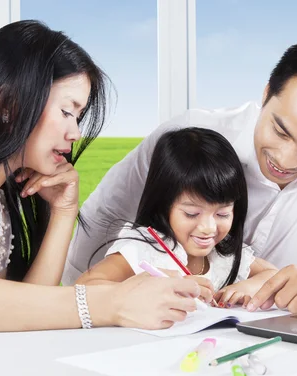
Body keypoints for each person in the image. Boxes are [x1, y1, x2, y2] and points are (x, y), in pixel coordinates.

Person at [0, 20, 201, 331]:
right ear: (8, 103)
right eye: (66, 112)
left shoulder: (2, 207)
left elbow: (24, 316)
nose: (75, 133)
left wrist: (63, 214)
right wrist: (109, 303)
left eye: (79, 116)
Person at [64, 38, 297, 315]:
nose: (285, 159)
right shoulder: (188, 137)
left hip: (272, 333)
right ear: (267, 93)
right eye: (280, 130)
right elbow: (104, 217)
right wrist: (75, 309)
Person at [76, 127, 277, 308]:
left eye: (222, 214)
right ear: (164, 205)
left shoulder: (224, 254)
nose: (208, 227)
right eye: (191, 214)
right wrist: (150, 290)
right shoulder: (145, 248)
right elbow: (83, 288)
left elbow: (274, 274)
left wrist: (250, 285)